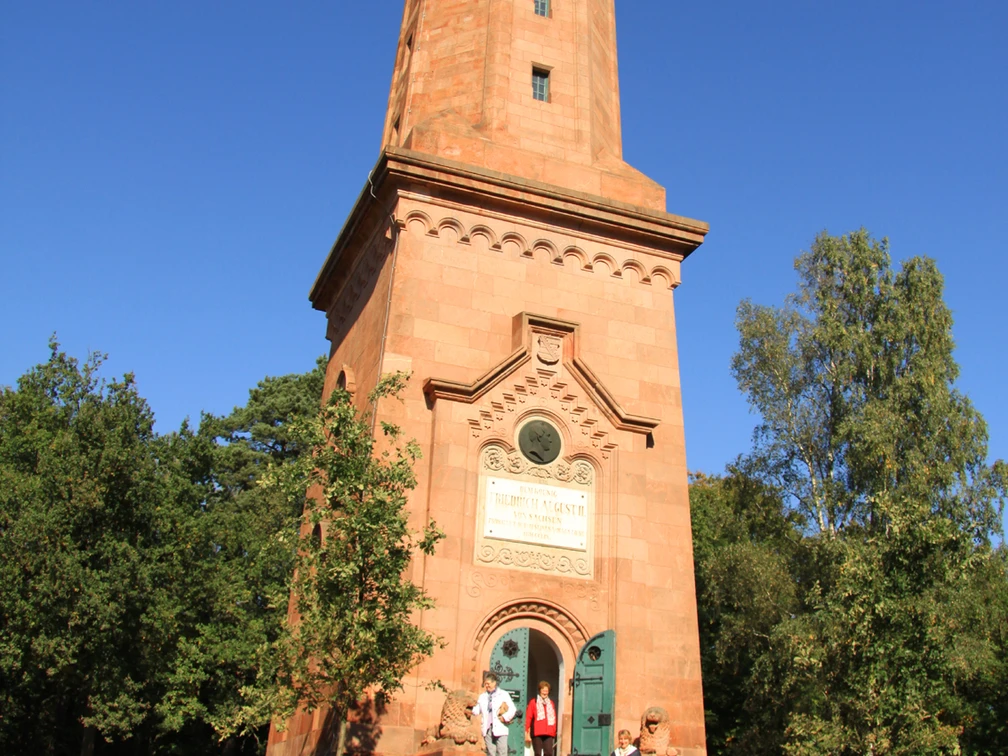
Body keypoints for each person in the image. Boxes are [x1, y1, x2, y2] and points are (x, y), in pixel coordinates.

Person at [472, 672, 517, 756]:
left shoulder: (503, 694)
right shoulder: (482, 696)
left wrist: (505, 717)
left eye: (488, 683)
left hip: (500, 726)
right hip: (487, 728)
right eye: (485, 684)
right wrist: (470, 709)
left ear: (494, 683)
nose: (486, 686)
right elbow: (477, 709)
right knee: (490, 752)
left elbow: (512, 709)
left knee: (502, 752)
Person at [523, 680, 557, 756]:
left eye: (546, 691)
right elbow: (528, 717)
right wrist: (526, 731)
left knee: (548, 753)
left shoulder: (551, 703)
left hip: (549, 733)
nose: (545, 692)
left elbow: (554, 718)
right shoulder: (533, 702)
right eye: (543, 690)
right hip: (537, 733)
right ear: (539, 691)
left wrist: (554, 731)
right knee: (537, 753)